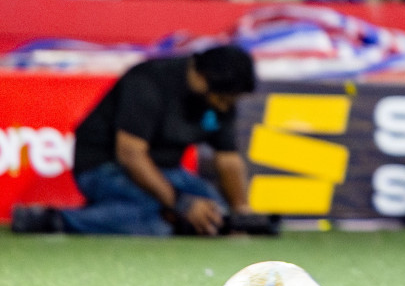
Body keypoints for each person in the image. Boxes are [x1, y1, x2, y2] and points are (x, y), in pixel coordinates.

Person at [10, 46, 259, 236]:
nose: (227, 107)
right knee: (155, 218)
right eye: (225, 100)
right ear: (204, 78)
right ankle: (55, 220)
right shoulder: (149, 82)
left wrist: (241, 214)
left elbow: (228, 159)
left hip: (166, 172)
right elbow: (130, 154)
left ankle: (117, 215)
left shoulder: (221, 97)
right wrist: (180, 203)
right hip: (103, 167)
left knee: (215, 213)